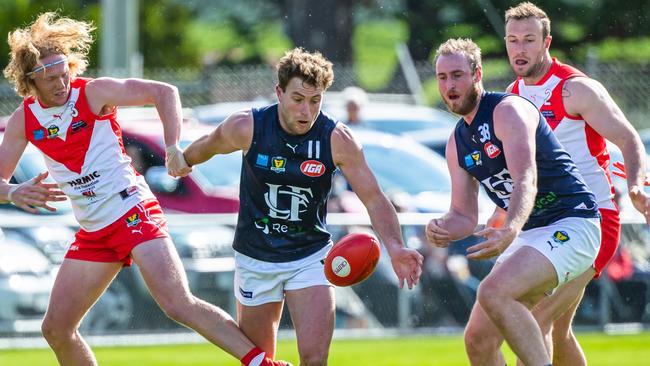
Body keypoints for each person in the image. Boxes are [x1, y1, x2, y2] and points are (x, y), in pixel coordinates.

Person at [0, 13, 290, 366]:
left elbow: (164, 92)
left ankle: (264, 364)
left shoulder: (93, 92)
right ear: (30, 80)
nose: (61, 84)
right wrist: (13, 192)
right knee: (56, 330)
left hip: (131, 209)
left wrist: (172, 147)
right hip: (94, 229)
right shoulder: (24, 119)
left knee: (177, 303)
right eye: (50, 79)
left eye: (65, 74)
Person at [170, 47, 423, 365]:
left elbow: (374, 198)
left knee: (315, 359)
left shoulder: (336, 139)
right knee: (261, 360)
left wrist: (396, 247)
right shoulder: (248, 127)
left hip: (310, 256)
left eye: (315, 100)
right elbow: (209, 144)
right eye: (298, 98)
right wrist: (183, 159)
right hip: (255, 257)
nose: (306, 110)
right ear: (279, 92)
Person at [464, 3, 650, 366]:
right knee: (555, 331)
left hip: (591, 218)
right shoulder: (511, 95)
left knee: (532, 320)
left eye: (529, 40)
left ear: (547, 42)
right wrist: (500, 212)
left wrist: (637, 185)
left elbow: (629, 139)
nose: (519, 49)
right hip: (543, 225)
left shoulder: (575, 90)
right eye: (513, 40)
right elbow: (521, 171)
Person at [426, 38, 602, 366]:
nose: (450, 85)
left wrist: (509, 228)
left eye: (458, 75)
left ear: (477, 74)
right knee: (478, 340)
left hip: (572, 223)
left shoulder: (507, 111)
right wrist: (440, 228)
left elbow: (526, 179)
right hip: (529, 234)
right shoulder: (456, 142)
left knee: (494, 292)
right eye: (442, 77)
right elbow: (463, 215)